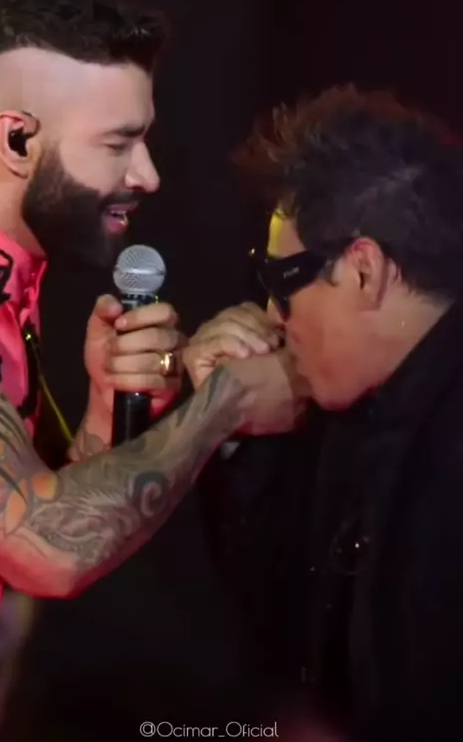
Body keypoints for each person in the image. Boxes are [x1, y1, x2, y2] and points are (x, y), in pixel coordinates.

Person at [0, 0, 283, 732]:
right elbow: (47, 551)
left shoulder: (8, 288)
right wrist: (231, 400)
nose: (147, 175)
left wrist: (104, 410)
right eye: (118, 143)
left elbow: (35, 507)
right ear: (16, 140)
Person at [184, 86, 463, 741]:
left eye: (283, 281)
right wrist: (240, 436)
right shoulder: (359, 411)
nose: (273, 314)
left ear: (364, 271)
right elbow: (287, 639)